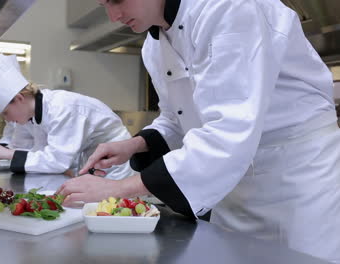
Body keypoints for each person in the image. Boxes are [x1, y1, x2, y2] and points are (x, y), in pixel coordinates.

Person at [57, 0, 340, 262]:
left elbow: (229, 129)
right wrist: (134, 145)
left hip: (296, 178)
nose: (113, 16)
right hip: (234, 186)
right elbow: (176, 118)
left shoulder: (230, 7)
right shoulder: (154, 46)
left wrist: (119, 188)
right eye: (103, 3)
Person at [0, 54, 134, 180]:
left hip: (115, 164)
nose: (7, 120)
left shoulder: (62, 109)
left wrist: (5, 154)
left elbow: (57, 160)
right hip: (89, 163)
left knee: (115, 211)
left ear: (19, 99)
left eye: (5, 112)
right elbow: (23, 150)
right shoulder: (27, 117)